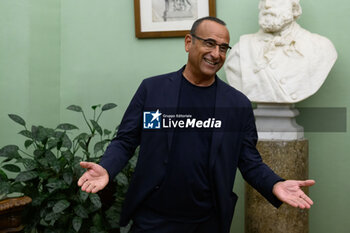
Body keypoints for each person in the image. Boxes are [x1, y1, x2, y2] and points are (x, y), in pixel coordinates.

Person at [78, 16, 315, 233]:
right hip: (152, 220)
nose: (216, 53)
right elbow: (126, 140)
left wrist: (275, 184)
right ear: (189, 42)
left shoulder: (237, 105)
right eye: (209, 43)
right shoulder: (153, 91)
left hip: (207, 223)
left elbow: (249, 161)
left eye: (223, 48)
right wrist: (107, 168)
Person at [224, 0, 337, 103]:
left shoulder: (320, 48)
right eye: (264, 0)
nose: (267, 5)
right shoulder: (240, 50)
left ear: (294, 9)